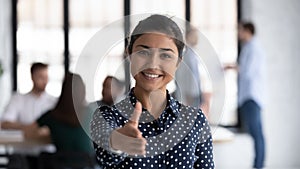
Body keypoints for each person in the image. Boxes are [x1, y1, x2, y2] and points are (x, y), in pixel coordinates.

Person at [91, 14, 214, 168]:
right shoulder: (107, 116)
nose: (153, 64)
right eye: (143, 52)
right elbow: (105, 149)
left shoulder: (195, 121)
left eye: (165, 55)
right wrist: (117, 142)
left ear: (178, 62)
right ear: (129, 55)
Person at [224, 21, 265, 169]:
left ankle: (258, 165)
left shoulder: (254, 48)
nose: (238, 33)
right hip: (249, 96)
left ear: (248, 30)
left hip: (251, 96)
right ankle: (258, 164)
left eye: (240, 30)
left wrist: (233, 67)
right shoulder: (249, 47)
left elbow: (247, 72)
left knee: (256, 133)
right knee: (256, 133)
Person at [24, 72, 94, 154]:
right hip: (87, 163)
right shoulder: (90, 113)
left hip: (61, 163)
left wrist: (50, 135)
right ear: (83, 92)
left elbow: (27, 133)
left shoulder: (51, 116)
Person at [1, 62, 57, 131]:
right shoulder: (18, 99)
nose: (45, 81)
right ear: (32, 77)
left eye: (46, 77)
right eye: (41, 77)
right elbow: (5, 123)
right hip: (24, 141)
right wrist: (30, 128)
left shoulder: (55, 101)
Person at [175, 26, 212, 118]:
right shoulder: (186, 53)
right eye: (194, 35)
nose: (197, 38)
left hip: (194, 92)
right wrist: (188, 94)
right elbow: (183, 75)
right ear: (188, 36)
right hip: (189, 94)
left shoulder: (191, 52)